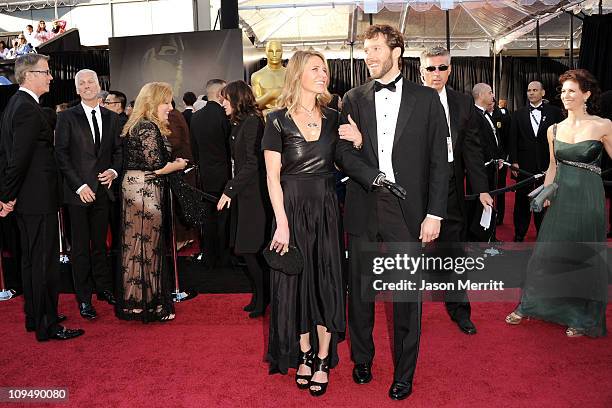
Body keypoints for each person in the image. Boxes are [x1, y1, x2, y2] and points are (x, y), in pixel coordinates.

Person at [338, 24, 449, 401]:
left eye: (374, 49)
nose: (368, 56)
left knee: (405, 297)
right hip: (365, 202)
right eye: (365, 50)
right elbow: (344, 153)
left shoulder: (427, 99)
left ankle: (405, 372)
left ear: (396, 51)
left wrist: (435, 213)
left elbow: (439, 162)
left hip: (409, 209)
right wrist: (374, 176)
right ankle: (362, 358)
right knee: (361, 293)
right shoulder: (352, 98)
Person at [262, 50, 365, 397]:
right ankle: (303, 352)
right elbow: (272, 178)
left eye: (326, 69)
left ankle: (323, 357)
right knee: (296, 287)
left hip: (325, 211)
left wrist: (360, 141)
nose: (324, 74)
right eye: (316, 68)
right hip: (289, 210)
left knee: (326, 284)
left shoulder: (336, 117)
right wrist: (281, 224)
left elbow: (351, 161)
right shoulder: (275, 120)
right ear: (297, 75)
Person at [506, 69, 611, 337]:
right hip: (562, 195)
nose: (566, 95)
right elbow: (552, 166)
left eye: (572, 90)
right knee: (547, 252)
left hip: (589, 197)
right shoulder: (555, 129)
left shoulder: (603, 125)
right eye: (563, 91)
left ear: (586, 94)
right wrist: (548, 193)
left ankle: (580, 316)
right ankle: (531, 304)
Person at [0, 54, 83, 341]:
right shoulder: (26, 108)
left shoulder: (16, 105)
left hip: (29, 198)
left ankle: (36, 316)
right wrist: (6, 196)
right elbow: (18, 159)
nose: (51, 77)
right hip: (36, 199)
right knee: (43, 263)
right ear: (29, 75)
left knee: (31, 260)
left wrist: (8, 195)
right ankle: (47, 324)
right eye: (46, 72)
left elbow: (7, 155)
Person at [419, 46, 492, 335]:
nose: (437, 74)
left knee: (454, 252)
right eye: (431, 68)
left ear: (451, 69)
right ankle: (409, 316)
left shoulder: (462, 103)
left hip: (450, 188)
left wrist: (482, 188)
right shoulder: (409, 100)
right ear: (421, 69)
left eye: (442, 68)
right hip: (415, 188)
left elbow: (472, 151)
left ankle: (459, 309)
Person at [116, 81, 188, 322]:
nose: (170, 107)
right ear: (153, 102)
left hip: (136, 187)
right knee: (146, 246)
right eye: (166, 102)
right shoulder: (147, 127)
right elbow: (156, 165)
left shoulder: (139, 124)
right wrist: (178, 165)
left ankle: (137, 302)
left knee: (137, 246)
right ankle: (146, 303)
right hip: (144, 191)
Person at [55, 69, 123, 319]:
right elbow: (60, 154)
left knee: (100, 247)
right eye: (81, 83)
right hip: (77, 195)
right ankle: (84, 299)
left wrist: (114, 172)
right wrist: (79, 186)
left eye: (90, 82)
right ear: (76, 89)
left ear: (99, 85)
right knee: (81, 249)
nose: (86, 86)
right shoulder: (67, 117)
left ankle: (104, 288)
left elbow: (118, 151)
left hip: (103, 193)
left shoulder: (112, 117)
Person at [218, 80, 270, 317]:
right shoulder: (239, 123)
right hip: (244, 195)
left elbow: (252, 163)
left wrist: (229, 189)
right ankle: (260, 296)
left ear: (237, 99)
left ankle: (263, 299)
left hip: (254, 197)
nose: (222, 103)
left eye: (226, 99)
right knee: (249, 251)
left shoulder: (251, 122)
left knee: (252, 250)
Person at [509, 81, 563, 242]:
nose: (531, 93)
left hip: (548, 165)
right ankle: (520, 233)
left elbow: (560, 138)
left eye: (535, 90)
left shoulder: (555, 112)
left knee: (545, 198)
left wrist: (557, 161)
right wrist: (514, 161)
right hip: (524, 165)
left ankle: (543, 233)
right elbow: (513, 139)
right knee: (521, 201)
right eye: (529, 90)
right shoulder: (518, 114)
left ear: (543, 93)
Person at [190, 79, 231, 267]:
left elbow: (194, 149)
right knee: (224, 218)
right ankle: (224, 257)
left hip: (204, 174)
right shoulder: (224, 117)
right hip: (224, 174)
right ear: (221, 93)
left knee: (208, 217)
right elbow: (229, 147)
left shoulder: (196, 117)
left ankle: (209, 255)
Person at [469, 83, 505, 241]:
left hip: (491, 168)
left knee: (489, 203)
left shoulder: (487, 115)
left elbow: (493, 140)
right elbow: (476, 145)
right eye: (490, 93)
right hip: (480, 170)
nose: (493, 96)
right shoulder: (474, 116)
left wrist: (498, 157)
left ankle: (488, 235)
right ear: (481, 95)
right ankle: (478, 238)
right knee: (479, 206)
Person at [251, 40, 287, 113]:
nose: (274, 54)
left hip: (289, 117)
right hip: (266, 119)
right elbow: (256, 104)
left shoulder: (291, 74)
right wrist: (272, 94)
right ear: (266, 52)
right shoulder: (257, 76)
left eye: (278, 51)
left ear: (282, 52)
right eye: (271, 51)